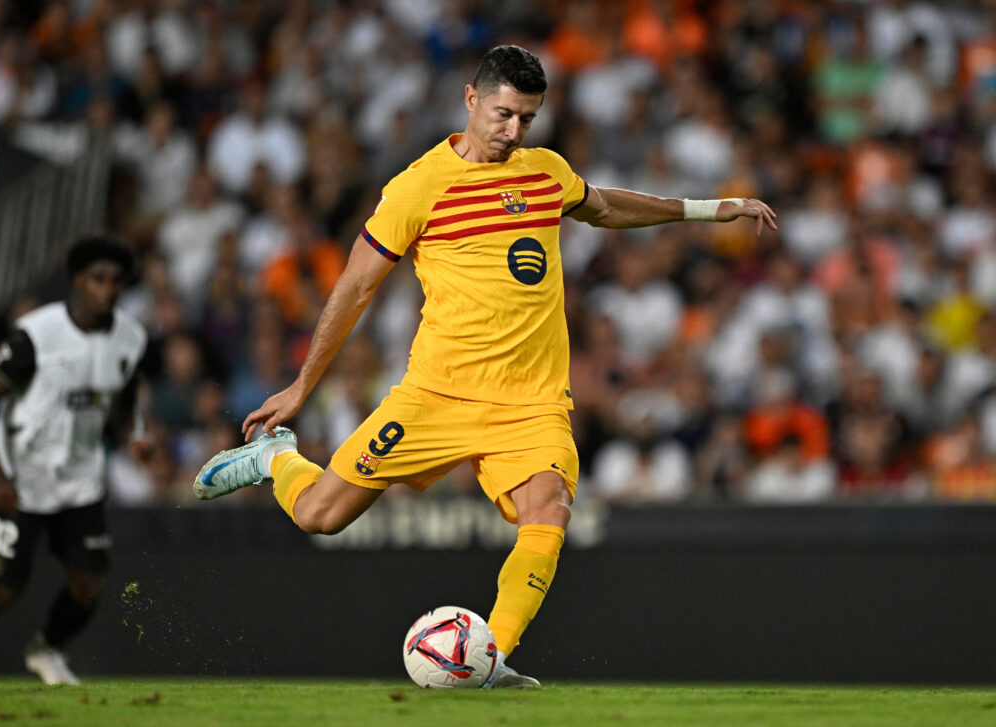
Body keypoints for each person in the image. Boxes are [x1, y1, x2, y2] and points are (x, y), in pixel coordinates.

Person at [193, 45, 776, 688]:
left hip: (531, 403)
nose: (513, 132)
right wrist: (304, 383)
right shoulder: (417, 187)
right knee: (321, 517)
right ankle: (275, 458)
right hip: (436, 395)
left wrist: (705, 209)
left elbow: (605, 207)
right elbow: (356, 286)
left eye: (527, 119)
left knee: (549, 509)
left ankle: (488, 659)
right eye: (503, 115)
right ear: (471, 100)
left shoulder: (545, 171)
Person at [0, 235, 148, 685]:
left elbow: (126, 400)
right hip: (23, 477)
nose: (107, 289)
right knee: (3, 590)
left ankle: (47, 649)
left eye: (116, 281)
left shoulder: (131, 337)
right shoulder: (38, 334)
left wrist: (135, 435)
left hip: (80, 479)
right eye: (98, 279)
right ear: (77, 280)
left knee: (88, 584)